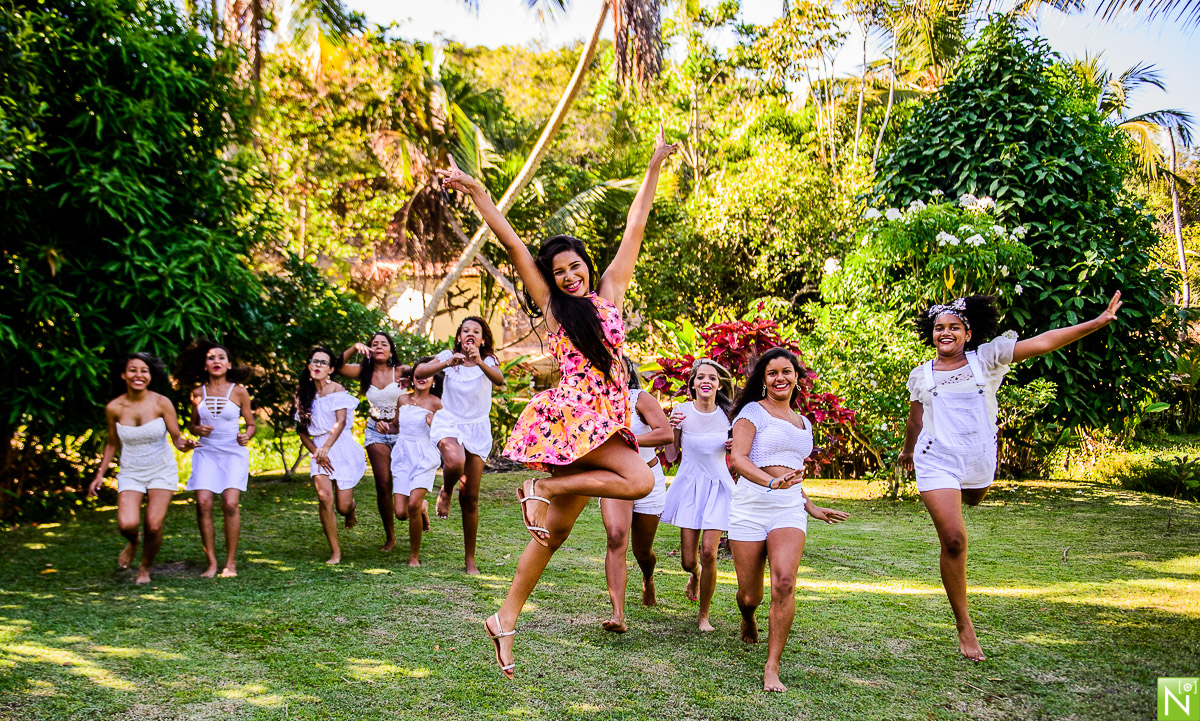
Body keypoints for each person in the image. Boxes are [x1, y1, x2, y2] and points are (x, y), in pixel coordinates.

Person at [437, 126, 676, 678]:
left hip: (606, 422)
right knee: (639, 482)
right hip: (574, 419)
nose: (569, 276)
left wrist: (654, 166)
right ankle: (543, 487)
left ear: (587, 266)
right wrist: (478, 195)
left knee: (554, 533)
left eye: (575, 267)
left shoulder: (610, 294)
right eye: (559, 271)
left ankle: (504, 619)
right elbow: (514, 244)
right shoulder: (550, 306)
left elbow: (635, 227)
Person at [898, 292, 1123, 662]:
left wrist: (1095, 323)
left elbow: (1042, 342)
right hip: (935, 459)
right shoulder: (920, 374)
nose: (946, 332)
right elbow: (915, 418)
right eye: (939, 328)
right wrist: (908, 449)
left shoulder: (986, 360)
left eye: (954, 327)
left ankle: (969, 493)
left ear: (968, 334)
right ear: (931, 334)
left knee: (975, 497)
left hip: (979, 458)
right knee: (954, 539)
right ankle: (964, 626)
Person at [728, 347, 849, 692]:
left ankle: (772, 667)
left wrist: (809, 505)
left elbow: (794, 474)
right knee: (750, 595)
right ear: (763, 380)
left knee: (784, 583)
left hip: (788, 508)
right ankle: (748, 616)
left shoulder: (803, 423)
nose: (780, 378)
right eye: (772, 373)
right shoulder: (753, 412)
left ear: (796, 377)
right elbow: (738, 459)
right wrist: (770, 482)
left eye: (786, 371)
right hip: (750, 507)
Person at [87, 353, 198, 584]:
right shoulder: (114, 407)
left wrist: (186, 446)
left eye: (144, 370)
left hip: (161, 468)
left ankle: (144, 569)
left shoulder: (161, 403)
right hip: (131, 471)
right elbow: (112, 442)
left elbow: (177, 439)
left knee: (154, 524)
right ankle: (134, 541)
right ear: (123, 375)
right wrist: (99, 475)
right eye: (133, 370)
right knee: (127, 524)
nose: (139, 375)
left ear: (150, 376)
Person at [414, 317, 504, 575]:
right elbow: (419, 373)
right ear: (459, 337)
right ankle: (446, 490)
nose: (470, 334)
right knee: (454, 462)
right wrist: (445, 363)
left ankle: (470, 560)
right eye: (466, 330)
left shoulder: (487, 361)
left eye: (476, 331)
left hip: (476, 427)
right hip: (450, 422)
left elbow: (499, 380)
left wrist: (478, 361)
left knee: (471, 499)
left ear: (483, 339)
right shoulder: (448, 357)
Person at [598, 355, 674, 633]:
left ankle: (648, 577)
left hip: (648, 476)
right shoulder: (595, 402)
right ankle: (618, 614)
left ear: (628, 371)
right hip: (615, 479)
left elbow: (666, 434)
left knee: (642, 551)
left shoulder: (639, 398)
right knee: (616, 536)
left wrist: (629, 438)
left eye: (618, 364)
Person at [659, 358, 735, 632]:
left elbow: (740, 456)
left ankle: (704, 616)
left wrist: (734, 445)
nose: (706, 381)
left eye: (712, 378)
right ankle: (695, 575)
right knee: (689, 561)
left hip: (718, 487)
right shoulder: (681, 411)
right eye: (700, 377)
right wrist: (670, 429)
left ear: (718, 384)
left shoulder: (729, 415)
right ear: (692, 384)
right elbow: (671, 455)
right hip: (690, 486)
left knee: (709, 553)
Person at [177, 341, 256, 578]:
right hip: (206, 453)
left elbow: (251, 424)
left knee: (230, 504)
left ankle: (230, 563)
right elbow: (192, 424)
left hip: (233, 452)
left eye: (221, 357)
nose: (216, 361)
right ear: (205, 365)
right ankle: (211, 562)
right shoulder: (197, 393)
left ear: (229, 364)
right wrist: (196, 430)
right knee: (203, 504)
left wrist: (246, 436)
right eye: (211, 358)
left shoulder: (239, 391)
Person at [294, 347, 367, 565]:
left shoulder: (337, 390)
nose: (317, 365)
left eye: (323, 362)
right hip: (318, 451)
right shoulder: (303, 394)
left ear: (331, 369)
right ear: (309, 366)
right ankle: (335, 552)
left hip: (340, 447)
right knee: (325, 497)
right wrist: (318, 452)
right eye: (314, 361)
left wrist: (326, 447)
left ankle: (350, 508)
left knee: (342, 506)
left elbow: (341, 422)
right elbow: (301, 432)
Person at [338, 333, 409, 551]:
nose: (378, 346)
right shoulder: (364, 372)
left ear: (391, 350)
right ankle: (390, 536)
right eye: (373, 344)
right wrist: (353, 347)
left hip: (402, 432)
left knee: (405, 480)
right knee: (383, 483)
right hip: (375, 431)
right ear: (368, 350)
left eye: (383, 343)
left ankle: (420, 509)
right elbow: (336, 365)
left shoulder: (402, 371)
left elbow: (428, 375)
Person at [391, 358, 443, 567]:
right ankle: (423, 507)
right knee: (401, 513)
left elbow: (444, 434)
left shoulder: (436, 403)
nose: (422, 379)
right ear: (412, 378)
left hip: (424, 455)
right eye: (418, 375)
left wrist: (434, 424)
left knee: (410, 506)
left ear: (433, 380)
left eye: (427, 375)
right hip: (403, 454)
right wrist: (386, 428)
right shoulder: (402, 400)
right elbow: (397, 426)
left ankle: (414, 555)